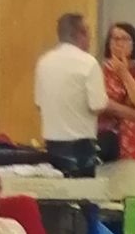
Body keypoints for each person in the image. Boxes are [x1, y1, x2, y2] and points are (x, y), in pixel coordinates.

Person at [34, 12, 108, 177]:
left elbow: (39, 104)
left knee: (58, 193)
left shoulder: (43, 62)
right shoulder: (89, 62)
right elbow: (97, 105)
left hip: (52, 143)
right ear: (81, 34)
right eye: (88, 33)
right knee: (83, 194)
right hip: (81, 146)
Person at [96, 22, 135, 201]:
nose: (120, 43)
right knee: (107, 204)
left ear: (134, 43)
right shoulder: (98, 72)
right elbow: (104, 104)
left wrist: (124, 73)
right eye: (115, 38)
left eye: (125, 39)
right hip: (110, 146)